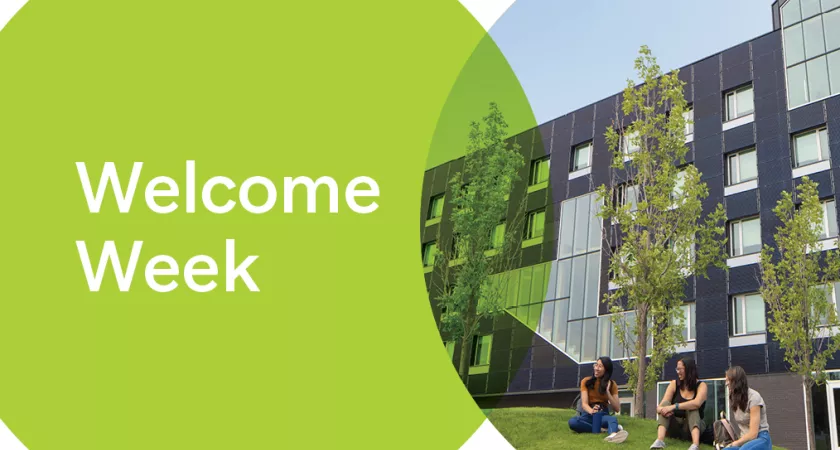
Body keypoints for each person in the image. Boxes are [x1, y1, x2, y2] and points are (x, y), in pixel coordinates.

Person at [568, 356, 629, 444]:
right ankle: (602, 430)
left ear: (606, 370)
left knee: (612, 419)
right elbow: (584, 404)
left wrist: (608, 392)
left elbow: (617, 408)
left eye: (600, 366)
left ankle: (613, 435)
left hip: (602, 413)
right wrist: (592, 411)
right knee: (573, 422)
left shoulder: (612, 384)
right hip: (588, 414)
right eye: (596, 365)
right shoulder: (586, 381)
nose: (596, 368)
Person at [650, 358, 707, 450]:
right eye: (677, 369)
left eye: (680, 369)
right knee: (665, 404)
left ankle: (695, 445)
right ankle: (659, 441)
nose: (678, 372)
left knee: (692, 408)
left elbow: (696, 403)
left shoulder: (701, 385)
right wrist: (664, 410)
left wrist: (674, 406)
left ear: (688, 369)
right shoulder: (674, 384)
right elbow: (659, 407)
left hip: (691, 427)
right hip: (675, 427)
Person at [717, 366, 772, 449]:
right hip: (745, 440)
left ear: (737, 381)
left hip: (760, 438)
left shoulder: (754, 398)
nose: (726, 383)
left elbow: (753, 434)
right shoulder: (734, 398)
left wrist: (736, 443)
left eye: (729, 380)